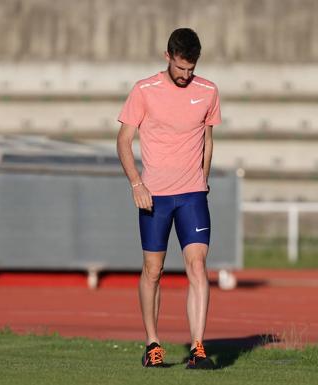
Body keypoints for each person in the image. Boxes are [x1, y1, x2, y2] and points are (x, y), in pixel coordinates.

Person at [116, 27, 221, 370]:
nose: (186, 75)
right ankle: (153, 345)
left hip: (192, 194)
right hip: (154, 197)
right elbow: (123, 140)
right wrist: (136, 184)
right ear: (167, 58)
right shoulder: (144, 90)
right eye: (180, 69)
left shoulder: (207, 91)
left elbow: (207, 139)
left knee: (198, 265)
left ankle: (198, 347)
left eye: (191, 69)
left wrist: (203, 179)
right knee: (153, 270)